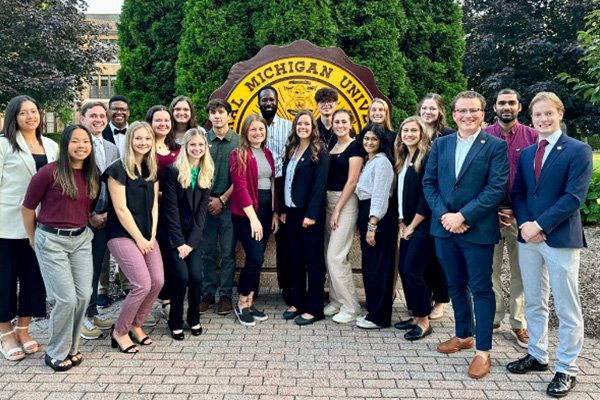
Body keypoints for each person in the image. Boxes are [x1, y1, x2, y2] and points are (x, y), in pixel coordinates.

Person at [507, 92, 592, 398]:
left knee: (567, 306)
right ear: (531, 118)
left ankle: (567, 368)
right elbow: (518, 193)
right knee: (533, 299)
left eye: (548, 114)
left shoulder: (578, 151)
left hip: (559, 238)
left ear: (560, 114)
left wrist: (540, 225)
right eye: (537, 115)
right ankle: (538, 354)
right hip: (529, 238)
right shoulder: (528, 153)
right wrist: (528, 225)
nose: (542, 119)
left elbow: (573, 197)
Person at [422, 91, 509, 379]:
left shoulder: (495, 146)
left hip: (478, 230)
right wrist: (446, 217)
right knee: (455, 285)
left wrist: (463, 216)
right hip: (445, 230)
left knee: (481, 289)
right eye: (461, 111)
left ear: (483, 113)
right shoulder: (442, 144)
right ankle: (463, 335)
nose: (467, 116)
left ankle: (483, 351)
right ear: (454, 114)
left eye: (473, 110)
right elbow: (429, 183)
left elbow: (496, 188)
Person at [22, 125, 98, 371]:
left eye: (85, 141)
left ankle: (72, 347)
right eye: (75, 141)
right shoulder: (48, 173)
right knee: (65, 299)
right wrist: (34, 238)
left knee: (83, 295)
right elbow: (27, 208)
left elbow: (86, 207)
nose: (81, 146)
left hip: (81, 239)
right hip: (51, 240)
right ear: (65, 144)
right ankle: (55, 352)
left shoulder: (91, 174)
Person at [0, 95, 58, 362]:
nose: (30, 116)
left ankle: (24, 329)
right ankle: (5, 332)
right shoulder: (3, 146)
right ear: (14, 117)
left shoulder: (50, 146)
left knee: (34, 280)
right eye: (23, 113)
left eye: (34, 111)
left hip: (41, 224)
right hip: (7, 225)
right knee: (5, 281)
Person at [484, 88, 538, 348]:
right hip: (489, 215)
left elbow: (537, 179)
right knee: (490, 270)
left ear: (519, 106)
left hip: (521, 216)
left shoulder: (532, 137)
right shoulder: (483, 137)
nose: (506, 107)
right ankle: (494, 316)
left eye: (511, 103)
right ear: (494, 108)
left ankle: (518, 322)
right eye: (501, 103)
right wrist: (491, 209)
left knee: (520, 271)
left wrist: (516, 210)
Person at [105, 121, 163, 353]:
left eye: (147, 139)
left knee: (157, 281)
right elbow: (121, 209)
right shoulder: (117, 170)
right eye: (138, 138)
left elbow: (154, 206)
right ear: (130, 140)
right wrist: (139, 238)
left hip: (148, 236)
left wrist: (152, 235)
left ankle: (136, 325)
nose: (143, 143)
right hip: (122, 235)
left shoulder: (151, 170)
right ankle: (119, 331)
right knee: (141, 284)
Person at [161, 128, 213, 340]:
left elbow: (202, 213)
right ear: (185, 146)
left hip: (193, 237)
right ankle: (175, 320)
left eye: (201, 145)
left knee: (196, 278)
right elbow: (170, 209)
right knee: (180, 278)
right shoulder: (173, 171)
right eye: (193, 145)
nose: (197, 148)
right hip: (173, 235)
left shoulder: (206, 171)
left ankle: (194, 318)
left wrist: (191, 243)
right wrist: (179, 243)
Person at [229, 114, 279, 326]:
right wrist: (253, 218)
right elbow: (240, 188)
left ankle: (250, 303)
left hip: (267, 211)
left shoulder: (266, 153)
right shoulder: (238, 153)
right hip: (247, 213)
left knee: (254, 260)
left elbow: (272, 182)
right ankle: (241, 303)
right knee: (256, 257)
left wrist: (275, 213)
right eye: (253, 130)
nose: (258, 133)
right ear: (245, 133)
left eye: (261, 129)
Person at [280, 110, 329, 326]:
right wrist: (282, 208)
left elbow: (319, 186)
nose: (302, 127)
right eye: (299, 124)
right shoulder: (292, 148)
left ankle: (314, 308)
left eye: (307, 124)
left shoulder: (319, 151)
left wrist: (311, 214)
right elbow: (286, 181)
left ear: (313, 127)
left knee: (313, 262)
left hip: (309, 214)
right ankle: (297, 302)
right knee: (295, 259)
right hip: (291, 212)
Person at [80, 101, 119, 340]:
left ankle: (92, 311)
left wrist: (108, 214)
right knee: (82, 270)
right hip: (83, 219)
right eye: (92, 115)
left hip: (105, 216)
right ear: (82, 118)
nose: (98, 119)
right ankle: (81, 317)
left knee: (95, 268)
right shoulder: (77, 146)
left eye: (102, 116)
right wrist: (89, 215)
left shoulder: (111, 148)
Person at [393, 117, 434, 340]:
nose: (408, 134)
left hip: (422, 225)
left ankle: (424, 321)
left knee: (413, 269)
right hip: (406, 223)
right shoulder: (404, 158)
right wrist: (401, 222)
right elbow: (401, 195)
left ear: (421, 133)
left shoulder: (425, 158)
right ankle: (417, 315)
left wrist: (412, 225)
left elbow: (426, 198)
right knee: (404, 269)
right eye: (405, 130)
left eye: (413, 130)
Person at [354, 124, 396, 329]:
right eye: (366, 138)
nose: (369, 142)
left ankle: (379, 317)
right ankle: (373, 312)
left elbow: (380, 194)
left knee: (378, 268)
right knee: (371, 266)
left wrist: (372, 224)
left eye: (373, 139)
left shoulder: (382, 163)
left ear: (381, 142)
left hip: (377, 218)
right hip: (367, 213)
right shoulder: (370, 161)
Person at [200, 99, 239, 315]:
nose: (217, 116)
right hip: (205, 205)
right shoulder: (202, 141)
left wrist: (223, 199)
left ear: (229, 115)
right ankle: (207, 293)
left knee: (227, 253)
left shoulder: (238, 142)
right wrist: (208, 199)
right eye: (213, 112)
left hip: (229, 205)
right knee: (207, 253)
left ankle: (225, 296)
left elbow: (241, 177)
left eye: (221, 112)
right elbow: (195, 171)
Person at [323, 109, 362, 324]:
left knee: (336, 256)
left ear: (351, 123)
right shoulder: (332, 145)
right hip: (328, 200)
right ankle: (336, 299)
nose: (339, 125)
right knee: (329, 252)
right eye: (336, 121)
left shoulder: (355, 146)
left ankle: (351, 306)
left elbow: (352, 181)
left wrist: (338, 208)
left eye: (343, 121)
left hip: (345, 202)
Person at [415, 93, 452, 321]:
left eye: (432, 108)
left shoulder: (447, 136)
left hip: (437, 203)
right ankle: (424, 297)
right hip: (417, 201)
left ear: (440, 112)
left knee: (439, 257)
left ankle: (440, 301)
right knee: (423, 257)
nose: (428, 112)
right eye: (424, 108)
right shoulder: (414, 132)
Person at [258, 85, 294, 305]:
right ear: (259, 102)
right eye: (264, 100)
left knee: (285, 241)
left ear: (277, 101)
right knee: (257, 239)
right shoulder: (255, 127)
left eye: (272, 100)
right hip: (260, 187)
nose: (268, 103)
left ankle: (286, 287)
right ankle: (250, 290)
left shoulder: (289, 127)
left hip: (282, 186)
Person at [146, 105, 180, 321]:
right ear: (150, 122)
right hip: (149, 211)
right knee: (149, 256)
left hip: (173, 213)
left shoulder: (177, 149)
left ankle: (167, 299)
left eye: (166, 120)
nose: (163, 124)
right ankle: (147, 300)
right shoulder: (144, 148)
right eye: (158, 120)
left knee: (169, 255)